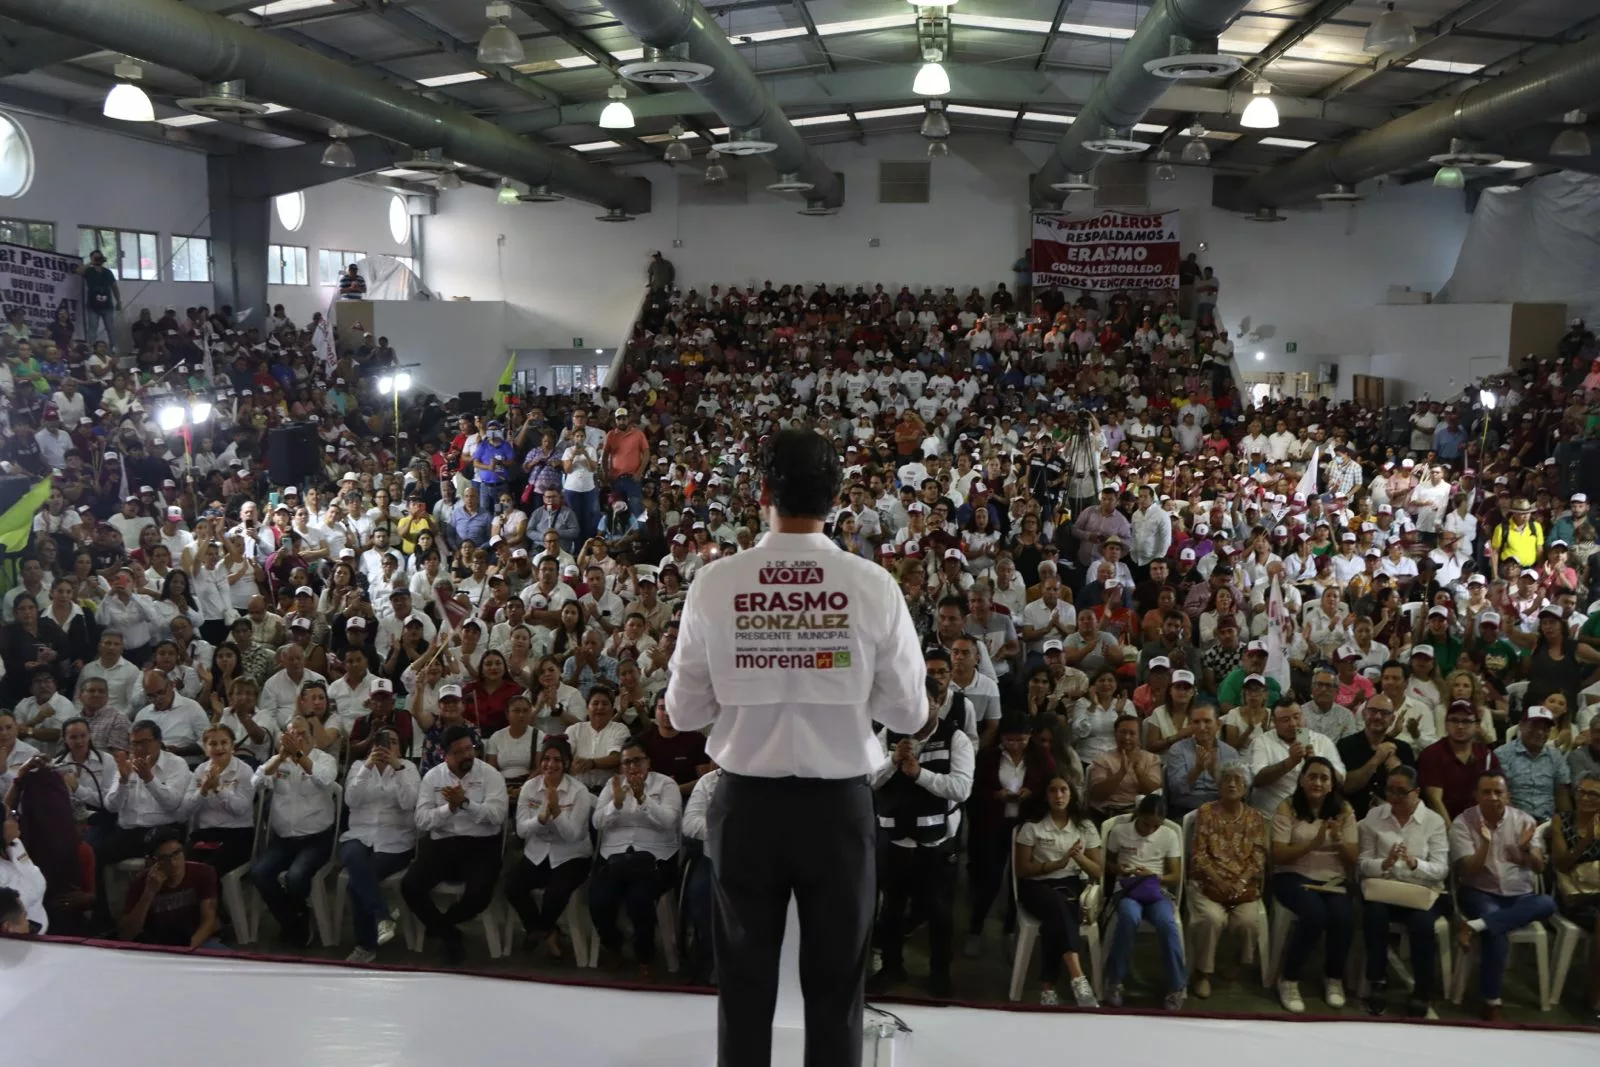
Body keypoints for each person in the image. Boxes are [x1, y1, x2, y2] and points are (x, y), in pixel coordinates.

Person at [665, 428, 925, 1067]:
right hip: (837, 812)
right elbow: (909, 712)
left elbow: (684, 710)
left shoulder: (715, 583)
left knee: (744, 986)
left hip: (745, 807)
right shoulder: (871, 585)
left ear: (761, 494)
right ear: (837, 498)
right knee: (838, 989)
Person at [869, 674, 975, 998]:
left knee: (939, 912)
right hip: (896, 841)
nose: (918, 708)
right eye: (912, 702)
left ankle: (940, 975)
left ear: (938, 703)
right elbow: (870, 780)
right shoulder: (890, 734)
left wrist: (919, 774)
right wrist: (893, 760)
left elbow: (961, 788)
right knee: (891, 909)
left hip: (936, 843)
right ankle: (891, 967)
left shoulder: (956, 739)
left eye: (926, 702)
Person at [1450, 771, 1556, 1020]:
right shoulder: (1463, 822)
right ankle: (1491, 1000)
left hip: (1520, 894)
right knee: (1494, 925)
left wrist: (1527, 847)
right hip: (1480, 892)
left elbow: (1539, 868)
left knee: (1548, 902)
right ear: (1476, 795)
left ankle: (1474, 926)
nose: (1493, 797)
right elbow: (1467, 870)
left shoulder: (1525, 821)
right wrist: (1485, 844)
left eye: (1498, 792)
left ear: (1508, 796)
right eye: (1486, 792)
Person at [403, 723, 509, 964]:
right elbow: (421, 820)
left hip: (482, 845)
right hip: (444, 843)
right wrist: (448, 809)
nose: (467, 755)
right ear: (445, 755)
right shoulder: (433, 777)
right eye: (459, 751)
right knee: (410, 886)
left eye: (469, 748)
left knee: (480, 893)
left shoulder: (490, 775)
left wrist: (466, 804)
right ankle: (450, 935)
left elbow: (497, 816)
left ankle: (444, 923)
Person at [1356, 765, 1449, 1018]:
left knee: (1421, 924)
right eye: (1390, 791)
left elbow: (1442, 870)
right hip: (1384, 890)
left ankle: (1422, 990)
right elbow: (1363, 864)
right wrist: (1384, 863)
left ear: (1416, 792)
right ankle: (1378, 981)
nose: (1394, 798)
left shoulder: (1433, 821)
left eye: (1401, 792)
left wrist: (1414, 864)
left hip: (1421, 891)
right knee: (1374, 915)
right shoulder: (1374, 817)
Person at [1269, 757, 1357, 1014]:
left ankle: (1333, 977)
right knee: (1315, 914)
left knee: (1343, 917)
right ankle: (1289, 977)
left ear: (1331, 785)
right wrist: (1315, 842)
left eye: (1324, 778)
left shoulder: (1344, 810)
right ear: (1302, 779)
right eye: (1312, 776)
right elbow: (1278, 855)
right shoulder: (1287, 807)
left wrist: (1338, 841)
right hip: (1291, 876)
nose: (1317, 782)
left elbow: (1353, 858)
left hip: (1332, 878)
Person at [588, 737, 681, 976]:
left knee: (639, 900)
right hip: (615, 857)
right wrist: (615, 805)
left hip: (655, 858)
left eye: (637, 761)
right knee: (598, 900)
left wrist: (643, 799)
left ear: (648, 762)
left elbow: (668, 821)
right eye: (626, 762)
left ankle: (645, 956)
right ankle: (615, 946)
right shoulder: (613, 785)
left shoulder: (666, 785)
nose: (631, 767)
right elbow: (597, 822)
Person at [1012, 773, 1102, 1007]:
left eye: (1064, 790)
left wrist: (1077, 858)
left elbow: (1097, 871)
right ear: (1045, 795)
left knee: (1057, 914)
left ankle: (1047, 986)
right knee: (1057, 905)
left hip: (1071, 884)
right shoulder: (1032, 826)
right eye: (1053, 790)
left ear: (1072, 794)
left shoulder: (1085, 826)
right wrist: (1056, 864)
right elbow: (1022, 869)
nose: (1059, 795)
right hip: (1036, 885)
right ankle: (1077, 976)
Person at [248, 716, 338, 946]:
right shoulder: (279, 761)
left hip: (316, 839)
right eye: (292, 735)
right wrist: (280, 757)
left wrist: (298, 756)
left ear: (312, 738)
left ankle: (295, 921)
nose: (297, 739)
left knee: (296, 877)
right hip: (284, 839)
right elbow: (256, 783)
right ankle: (295, 919)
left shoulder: (324, 759)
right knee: (259, 873)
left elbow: (325, 781)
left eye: (302, 734)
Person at [504, 737, 594, 961]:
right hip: (537, 851)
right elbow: (523, 830)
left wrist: (557, 813)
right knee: (511, 886)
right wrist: (541, 820)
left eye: (557, 760)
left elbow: (573, 834)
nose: (550, 765)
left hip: (572, 855)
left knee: (556, 893)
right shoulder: (530, 787)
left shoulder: (578, 792)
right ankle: (548, 932)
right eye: (546, 759)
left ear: (566, 763)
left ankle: (538, 931)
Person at [1187, 761, 1267, 999]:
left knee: (1250, 922)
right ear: (1218, 785)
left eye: (1238, 780)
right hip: (1207, 883)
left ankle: (1238, 961)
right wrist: (1219, 881)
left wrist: (1241, 882)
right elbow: (1199, 854)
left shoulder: (1255, 818)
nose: (1232, 784)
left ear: (1246, 786)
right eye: (1226, 780)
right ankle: (1203, 972)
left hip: (1242, 886)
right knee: (1212, 918)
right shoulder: (1207, 812)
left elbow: (1259, 855)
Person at [338, 727, 419, 963]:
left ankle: (366, 945)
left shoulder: (408, 768)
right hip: (359, 835)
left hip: (396, 841)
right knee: (353, 857)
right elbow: (351, 799)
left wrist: (398, 768)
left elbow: (409, 803)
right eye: (381, 741)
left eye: (392, 742)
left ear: (399, 748)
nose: (386, 746)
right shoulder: (358, 767)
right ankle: (383, 915)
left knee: (357, 882)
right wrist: (367, 767)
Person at [1102, 793, 1186, 1010]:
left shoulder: (1169, 835)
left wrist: (1154, 876)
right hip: (1128, 890)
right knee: (1129, 917)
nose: (1150, 829)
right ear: (1137, 815)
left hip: (1156, 891)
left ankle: (1176, 986)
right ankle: (1115, 981)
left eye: (1155, 826)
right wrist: (1120, 869)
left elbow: (1176, 876)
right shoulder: (1120, 832)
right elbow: (1108, 864)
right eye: (1146, 824)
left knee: (1167, 924)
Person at [118, 827, 223, 949]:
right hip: (158, 946)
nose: (173, 863)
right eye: (164, 858)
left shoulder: (203, 872)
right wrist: (149, 893)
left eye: (177, 854)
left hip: (197, 941)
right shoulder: (141, 882)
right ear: (153, 862)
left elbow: (209, 921)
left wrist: (186, 949)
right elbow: (125, 935)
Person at [1549, 773, 1600, 1016]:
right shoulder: (1561, 820)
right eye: (1582, 791)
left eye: (1594, 794)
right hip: (1573, 896)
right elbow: (1561, 864)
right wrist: (1587, 839)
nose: (1586, 798)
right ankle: (1592, 997)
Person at [178, 724, 257, 877]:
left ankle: (212, 902)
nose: (219, 748)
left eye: (224, 742)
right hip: (205, 834)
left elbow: (240, 809)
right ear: (206, 748)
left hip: (237, 836)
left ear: (232, 746)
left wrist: (218, 789)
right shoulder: (200, 770)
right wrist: (203, 790)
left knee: (207, 871)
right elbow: (185, 810)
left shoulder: (244, 770)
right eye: (213, 744)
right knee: (180, 868)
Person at [1163, 704, 1238, 819]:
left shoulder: (1230, 753)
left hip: (1221, 810)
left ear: (1218, 724)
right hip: (1185, 811)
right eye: (1196, 722)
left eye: (1207, 721)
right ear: (1190, 725)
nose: (1202, 727)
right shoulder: (1178, 750)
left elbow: (1235, 791)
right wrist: (1197, 769)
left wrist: (1215, 773)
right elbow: (1176, 790)